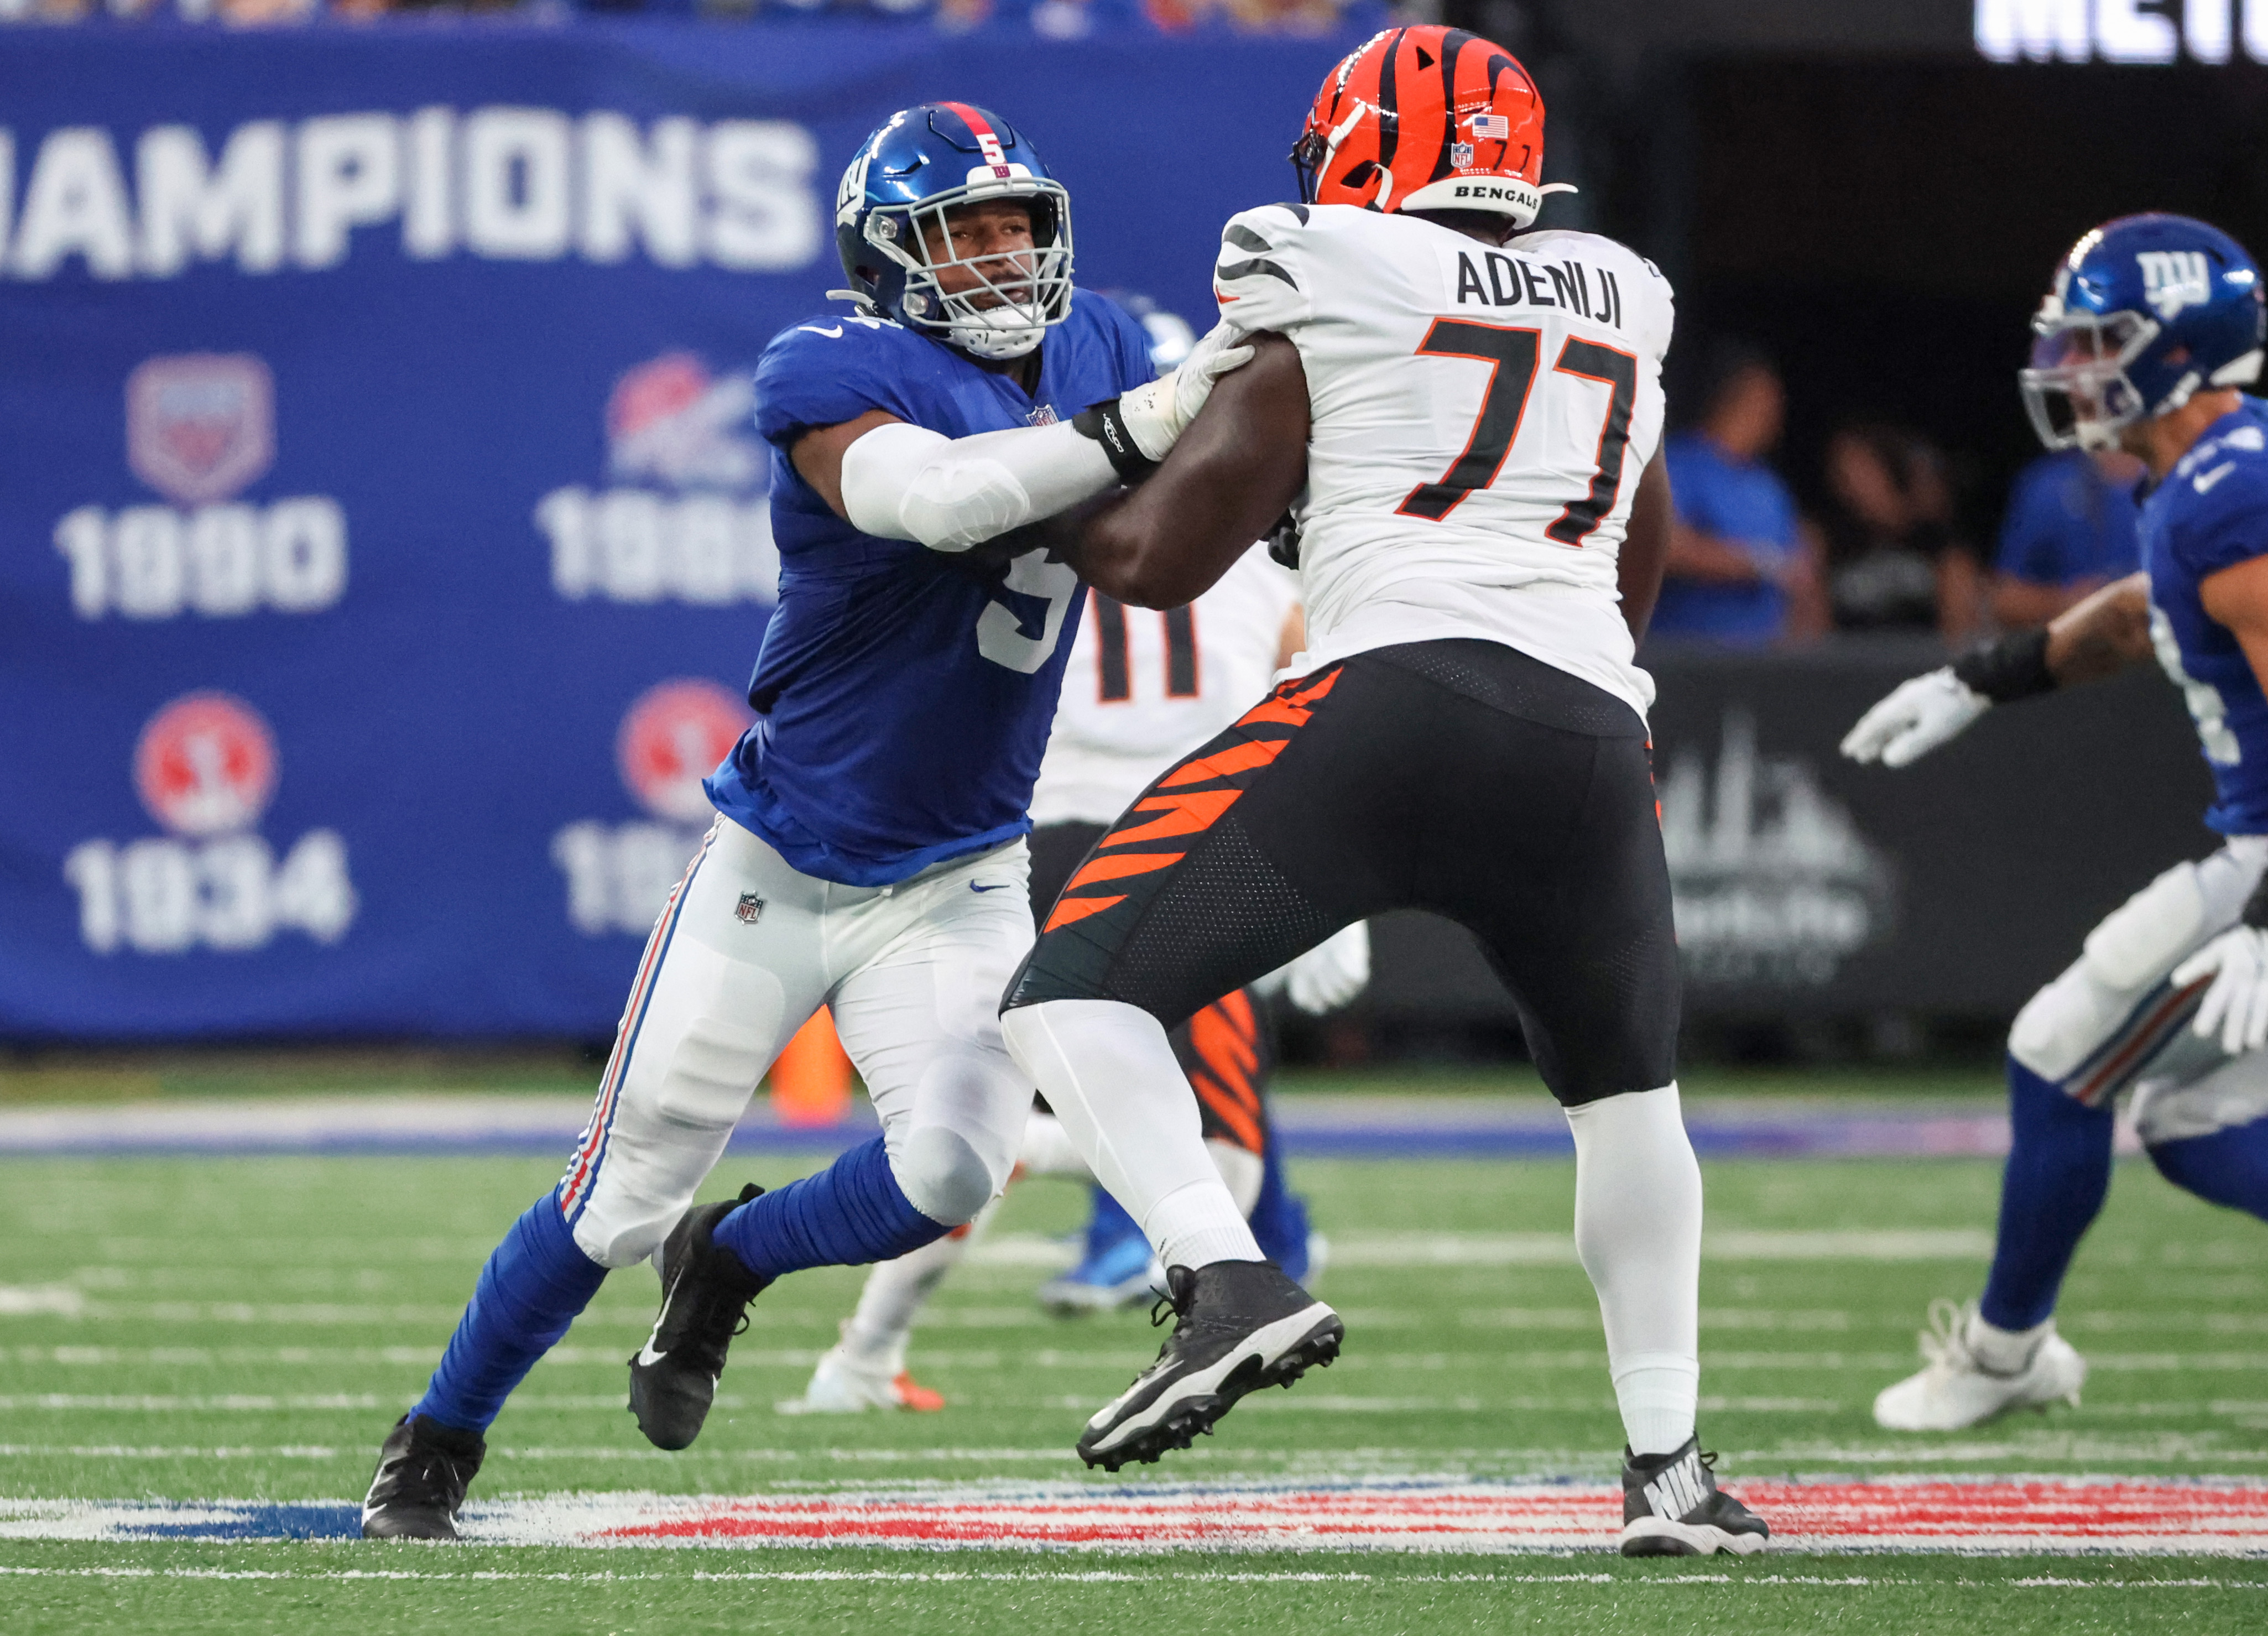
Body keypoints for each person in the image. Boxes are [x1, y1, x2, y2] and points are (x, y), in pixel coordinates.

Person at [359, 100, 1253, 1539]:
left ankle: (733, 1262)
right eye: (962, 230)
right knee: (616, 1195)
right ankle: (439, 1432)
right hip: (782, 857)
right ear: (889, 254)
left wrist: (1286, 323)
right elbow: (944, 498)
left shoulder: (1102, 343)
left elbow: (1252, 388)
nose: (998, 255)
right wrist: (1145, 422)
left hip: (960, 866)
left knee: (956, 1165)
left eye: (1015, 223)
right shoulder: (830, 366)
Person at [995, 25, 1769, 1556]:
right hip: (1586, 740)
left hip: (1392, 705)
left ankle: (1223, 1278)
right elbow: (1639, 529)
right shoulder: (1622, 293)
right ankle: (1668, 1466)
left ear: (1364, 153)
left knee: (1065, 989)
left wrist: (1021, 500)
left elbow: (1162, 560)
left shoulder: (1326, 262)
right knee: (1626, 1102)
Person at [1842, 213, 2268, 1432]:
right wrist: (1982, 678)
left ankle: (2007, 1354)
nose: (2071, 366)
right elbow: (2148, 614)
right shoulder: (2230, 463)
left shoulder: (2232, 491)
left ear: (2179, 345)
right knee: (2188, 1113)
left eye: (2099, 339)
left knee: (2056, 1056)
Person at [788, 548, 1365, 1413]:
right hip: (1178, 848)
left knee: (974, 1124)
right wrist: (1333, 883)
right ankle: (1180, 1293)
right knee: (1225, 1143)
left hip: (1028, 853)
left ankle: (864, 1354)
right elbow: (1316, 701)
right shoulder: (1239, 552)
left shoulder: (1042, 539)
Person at [1644, 343, 1822, 645]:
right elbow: (1661, 544)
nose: (1777, 411)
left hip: (1763, 661)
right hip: (1686, 657)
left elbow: (1800, 571)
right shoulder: (1679, 463)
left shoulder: (1769, 485)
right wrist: (1757, 563)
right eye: (1767, 398)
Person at [1817, 421, 1980, 642]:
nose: (1850, 485)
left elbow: (1961, 634)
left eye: (1861, 469)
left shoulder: (1938, 544)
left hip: (1922, 667)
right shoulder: (1830, 543)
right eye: (1842, 474)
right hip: (1851, 668)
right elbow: (1813, 636)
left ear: (1887, 468)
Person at [1989, 446, 2145, 629]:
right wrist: (2073, 603)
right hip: (2086, 645)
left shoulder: (2180, 479)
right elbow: (2005, 600)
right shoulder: (2050, 487)